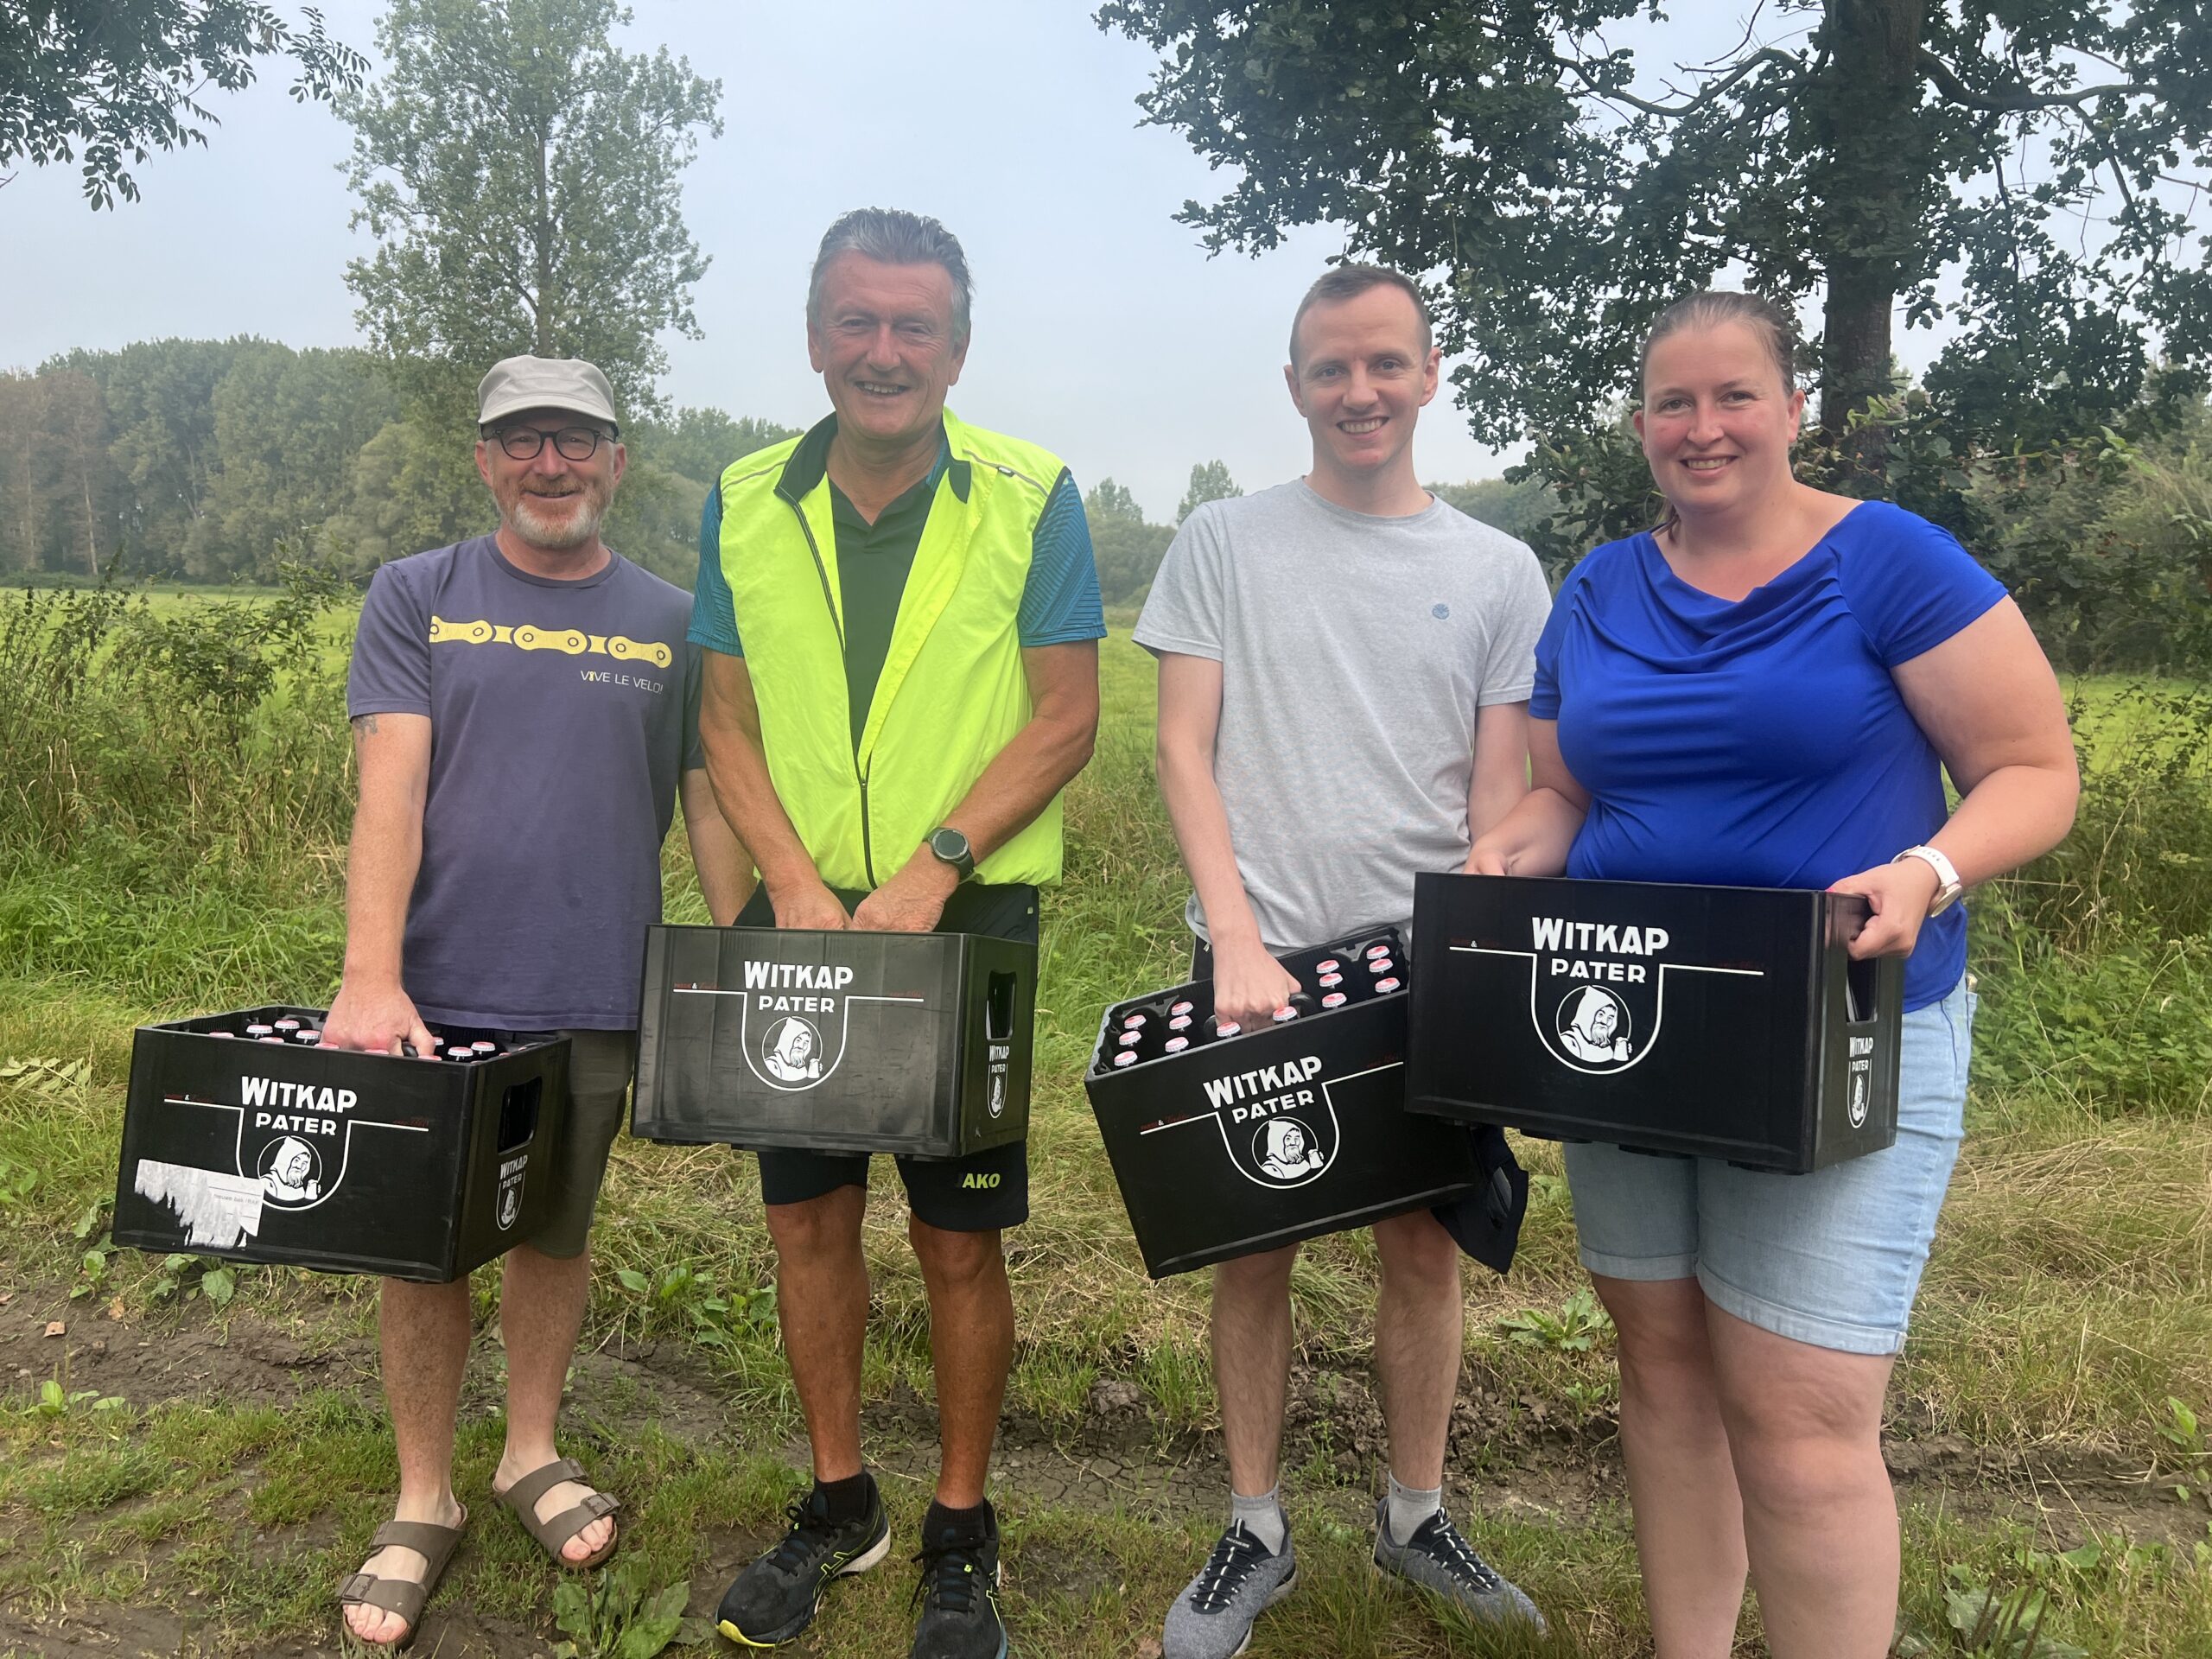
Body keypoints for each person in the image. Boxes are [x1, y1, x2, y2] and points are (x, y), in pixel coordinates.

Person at [1468, 291, 2079, 1658]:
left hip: (1839, 1028)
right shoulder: (1601, 588)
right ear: (1640, 426)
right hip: (1626, 1024)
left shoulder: (1891, 562)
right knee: (1666, 1376)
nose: (1704, 427)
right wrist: (1501, 864)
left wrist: (1928, 870)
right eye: (1673, 404)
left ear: (1793, 408)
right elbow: (1562, 795)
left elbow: (2036, 772)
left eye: (1735, 395)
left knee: (1801, 1422)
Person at [694, 207, 1103, 1659]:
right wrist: (789, 880)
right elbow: (726, 715)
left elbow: (1067, 715)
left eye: (912, 326)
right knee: (805, 1219)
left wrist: (935, 866)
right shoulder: (743, 496)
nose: (883, 352)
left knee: (956, 1237)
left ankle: (961, 1529)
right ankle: (837, 1500)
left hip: (965, 913)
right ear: (814, 339)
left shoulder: (1030, 492)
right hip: (797, 911)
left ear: (957, 347)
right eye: (855, 323)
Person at [1135, 264, 1551, 1659]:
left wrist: (1470, 948)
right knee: (1251, 1253)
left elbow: (1499, 798)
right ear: (1297, 386)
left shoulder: (1500, 571)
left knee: (1421, 1257)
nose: (1359, 392)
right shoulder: (1222, 542)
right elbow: (1181, 746)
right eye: (1330, 368)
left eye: (1385, 364)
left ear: (1431, 374)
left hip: (1420, 976)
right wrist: (1238, 937)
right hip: (1254, 963)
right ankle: (1253, 1530)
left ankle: (1415, 1512)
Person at [327, 355, 753, 1649]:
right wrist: (370, 971)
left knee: (555, 1234)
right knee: (426, 1248)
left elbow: (710, 793)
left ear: (618, 461)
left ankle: (527, 1451)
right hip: (437, 992)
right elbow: (389, 789)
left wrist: (741, 957)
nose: (550, 464)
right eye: (524, 442)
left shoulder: (676, 617)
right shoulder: (419, 594)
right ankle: (421, 1496)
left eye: (575, 441)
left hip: (597, 990)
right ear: (485, 461)